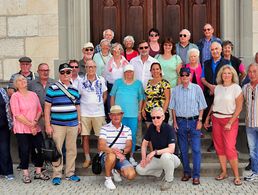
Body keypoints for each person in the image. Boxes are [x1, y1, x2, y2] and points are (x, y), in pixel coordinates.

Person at [204, 65, 243, 186]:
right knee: (219, 147)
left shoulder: (236, 88)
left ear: (233, 75)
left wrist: (231, 122)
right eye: (224, 73)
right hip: (216, 119)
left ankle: (236, 176)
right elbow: (214, 104)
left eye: (229, 73)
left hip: (229, 120)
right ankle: (224, 172)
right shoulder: (217, 88)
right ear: (221, 75)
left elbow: (239, 107)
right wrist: (207, 118)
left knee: (230, 148)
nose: (226, 75)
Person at [45, 63, 81, 185]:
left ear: (71, 73)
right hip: (57, 125)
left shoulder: (75, 89)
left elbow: (78, 107)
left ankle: (70, 173)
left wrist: (79, 122)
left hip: (73, 124)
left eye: (68, 72)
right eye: (63, 72)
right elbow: (47, 108)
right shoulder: (52, 88)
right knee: (57, 150)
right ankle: (57, 174)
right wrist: (47, 125)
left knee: (72, 150)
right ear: (59, 74)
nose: (66, 74)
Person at [170, 67, 207, 185]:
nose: (185, 77)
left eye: (187, 75)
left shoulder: (197, 89)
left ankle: (196, 175)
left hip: (194, 122)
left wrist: (200, 120)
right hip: (180, 122)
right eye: (182, 75)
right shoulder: (175, 90)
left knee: (196, 149)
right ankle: (187, 172)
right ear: (180, 77)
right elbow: (173, 108)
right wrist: (175, 122)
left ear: (190, 76)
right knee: (183, 150)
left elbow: (202, 106)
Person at [10, 75, 49, 183]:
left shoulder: (33, 95)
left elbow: (39, 110)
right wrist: (31, 125)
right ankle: (26, 174)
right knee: (24, 150)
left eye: (24, 79)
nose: (23, 81)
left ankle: (38, 172)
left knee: (40, 149)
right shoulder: (15, 96)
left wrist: (35, 122)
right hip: (22, 129)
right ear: (16, 84)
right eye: (19, 80)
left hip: (35, 127)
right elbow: (17, 115)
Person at [136, 107, 180, 191]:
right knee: (139, 169)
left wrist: (154, 152)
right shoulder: (151, 128)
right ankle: (159, 172)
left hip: (173, 159)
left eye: (158, 117)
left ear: (163, 117)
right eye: (153, 117)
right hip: (158, 159)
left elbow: (171, 150)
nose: (156, 119)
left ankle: (169, 180)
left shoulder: (169, 129)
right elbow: (144, 144)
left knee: (165, 156)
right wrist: (144, 159)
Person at [110, 64, 145, 166]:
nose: (129, 73)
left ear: (133, 73)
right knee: (119, 136)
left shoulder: (138, 84)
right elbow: (112, 96)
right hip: (119, 115)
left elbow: (141, 98)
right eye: (127, 72)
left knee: (132, 136)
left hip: (133, 114)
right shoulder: (118, 82)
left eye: (131, 71)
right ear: (124, 73)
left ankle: (131, 156)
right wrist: (112, 111)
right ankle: (120, 156)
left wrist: (139, 112)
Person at [98, 105, 136, 190]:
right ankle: (108, 178)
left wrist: (122, 151)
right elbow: (101, 146)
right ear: (110, 116)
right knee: (112, 155)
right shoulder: (104, 128)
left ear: (122, 115)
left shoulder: (127, 129)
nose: (116, 117)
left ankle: (115, 170)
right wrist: (116, 152)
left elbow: (129, 147)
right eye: (113, 114)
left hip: (120, 157)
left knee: (131, 175)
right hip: (106, 157)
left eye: (118, 114)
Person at [78, 59, 107, 168]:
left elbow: (105, 94)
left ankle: (99, 158)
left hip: (99, 113)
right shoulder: (80, 81)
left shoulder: (101, 80)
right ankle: (87, 158)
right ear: (85, 68)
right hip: (85, 113)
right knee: (85, 137)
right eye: (89, 67)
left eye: (93, 67)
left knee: (100, 137)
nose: (91, 69)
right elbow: (78, 97)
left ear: (96, 68)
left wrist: (100, 103)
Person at [201, 41, 229, 152]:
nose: (215, 51)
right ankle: (215, 141)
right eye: (212, 49)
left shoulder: (226, 62)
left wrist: (216, 88)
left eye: (216, 49)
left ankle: (215, 143)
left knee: (218, 118)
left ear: (221, 50)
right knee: (209, 117)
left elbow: (229, 77)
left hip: (222, 95)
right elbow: (202, 78)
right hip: (209, 94)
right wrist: (210, 87)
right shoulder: (206, 63)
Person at [28, 63, 55, 138]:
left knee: (53, 139)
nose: (45, 72)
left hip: (52, 117)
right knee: (40, 139)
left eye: (47, 70)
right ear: (38, 71)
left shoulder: (55, 84)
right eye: (42, 70)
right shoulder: (31, 84)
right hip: (37, 118)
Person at [242, 63, 258, 181]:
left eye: (255, 71)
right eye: (250, 72)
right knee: (252, 150)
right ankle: (255, 173)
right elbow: (239, 104)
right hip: (250, 125)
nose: (252, 74)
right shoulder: (245, 87)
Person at [142, 62, 170, 127]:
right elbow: (146, 97)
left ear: (160, 70)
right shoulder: (149, 82)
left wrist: (162, 113)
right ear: (151, 71)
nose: (155, 71)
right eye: (153, 69)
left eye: (157, 69)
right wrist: (143, 109)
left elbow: (167, 99)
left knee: (160, 133)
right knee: (150, 133)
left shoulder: (165, 83)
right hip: (149, 112)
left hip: (159, 112)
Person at [0, 88, 14, 180]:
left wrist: (11, 123)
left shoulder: (2, 91)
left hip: (3, 125)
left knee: (4, 149)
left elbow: (8, 108)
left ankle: (8, 171)